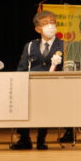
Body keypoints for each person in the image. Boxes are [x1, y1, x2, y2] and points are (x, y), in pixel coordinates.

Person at [12, 10, 64, 150]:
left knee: (45, 109)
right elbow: (22, 67)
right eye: (46, 23)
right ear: (38, 29)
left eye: (52, 22)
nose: (50, 26)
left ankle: (42, 139)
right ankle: (24, 139)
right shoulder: (30, 46)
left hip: (54, 86)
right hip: (31, 85)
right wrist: (19, 85)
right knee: (23, 106)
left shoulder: (64, 45)